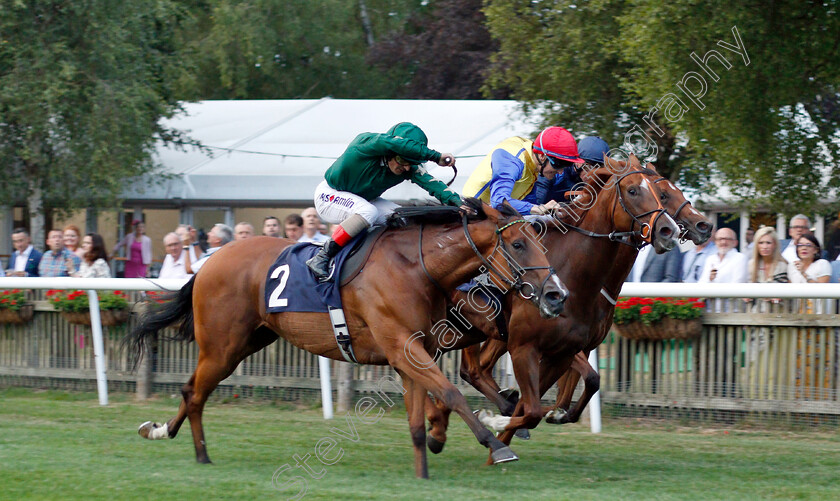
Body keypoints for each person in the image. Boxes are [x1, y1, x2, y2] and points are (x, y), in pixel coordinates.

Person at [307, 122, 459, 280]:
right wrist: (436, 156)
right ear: (390, 150)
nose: (406, 168)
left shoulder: (408, 167)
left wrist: (460, 204)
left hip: (365, 200)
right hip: (330, 195)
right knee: (368, 212)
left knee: (404, 218)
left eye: (412, 163)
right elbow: (399, 144)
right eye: (402, 159)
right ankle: (321, 257)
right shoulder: (367, 143)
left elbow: (435, 186)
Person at [462, 126, 584, 216]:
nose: (561, 171)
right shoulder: (513, 160)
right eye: (559, 164)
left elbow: (529, 203)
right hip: (471, 211)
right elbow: (498, 201)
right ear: (542, 156)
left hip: (494, 213)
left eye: (567, 165)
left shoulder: (535, 162)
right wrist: (539, 208)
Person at [535, 136, 610, 204]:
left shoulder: (597, 185)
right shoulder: (557, 171)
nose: (592, 176)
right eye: (589, 169)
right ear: (578, 163)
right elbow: (537, 200)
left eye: (598, 171)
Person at [698, 228, 748, 312]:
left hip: (733, 311)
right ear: (715, 242)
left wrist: (710, 286)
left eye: (727, 239)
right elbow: (701, 284)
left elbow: (736, 285)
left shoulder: (740, 258)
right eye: (720, 239)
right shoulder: (710, 259)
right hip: (710, 311)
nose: (723, 242)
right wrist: (710, 279)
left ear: (735, 242)